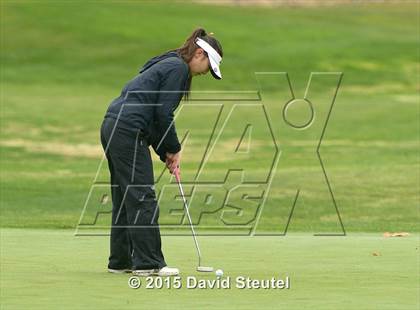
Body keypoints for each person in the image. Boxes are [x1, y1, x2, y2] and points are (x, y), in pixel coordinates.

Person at [100, 28, 223, 276]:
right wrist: (174, 149)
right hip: (127, 128)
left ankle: (121, 261)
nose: (206, 73)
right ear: (199, 53)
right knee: (142, 196)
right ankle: (148, 263)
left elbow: (155, 117)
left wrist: (165, 153)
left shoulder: (168, 63)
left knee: (127, 197)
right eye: (208, 66)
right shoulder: (178, 69)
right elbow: (163, 114)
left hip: (114, 125)